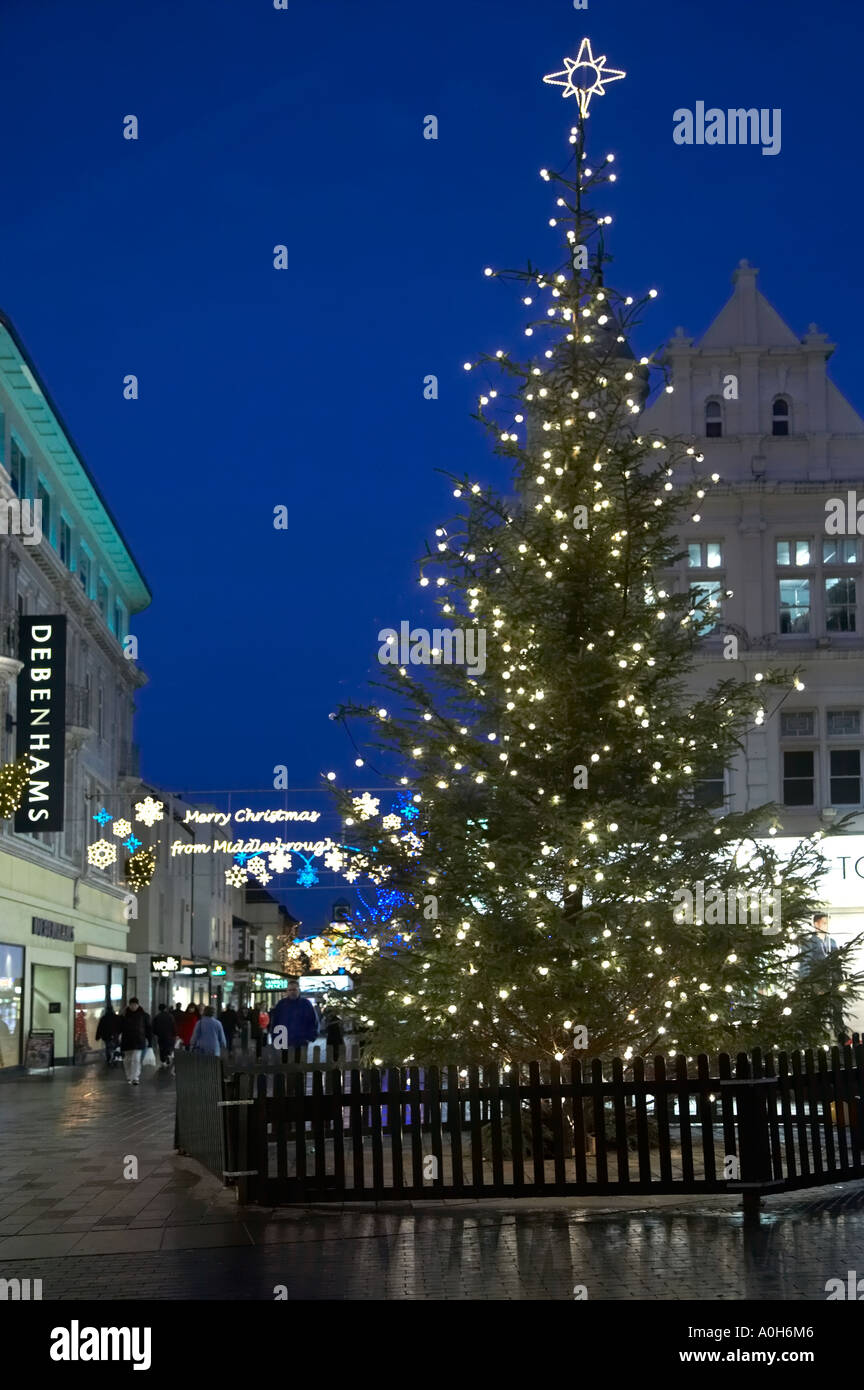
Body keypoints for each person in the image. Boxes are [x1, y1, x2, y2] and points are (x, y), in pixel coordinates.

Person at [799, 912, 845, 1039]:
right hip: (818, 983)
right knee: (817, 1010)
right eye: (824, 923)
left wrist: (840, 979)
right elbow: (805, 964)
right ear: (816, 924)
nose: (826, 926)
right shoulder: (809, 943)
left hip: (833, 982)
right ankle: (816, 1037)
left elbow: (837, 963)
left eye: (827, 923)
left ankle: (840, 1034)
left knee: (837, 1009)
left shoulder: (832, 942)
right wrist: (809, 984)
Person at [268, 979, 319, 1052]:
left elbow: (313, 1021)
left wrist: (310, 1037)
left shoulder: (306, 1004)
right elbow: (275, 1022)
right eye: (290, 990)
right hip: (283, 1041)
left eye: (294, 990)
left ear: (299, 990)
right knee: (283, 1062)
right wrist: (275, 1038)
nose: (292, 992)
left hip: (301, 1041)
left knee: (300, 1061)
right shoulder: (281, 1004)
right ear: (287, 991)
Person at [117, 998, 152, 1086]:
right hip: (126, 1041)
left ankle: (135, 1077)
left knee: (136, 1059)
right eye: (131, 1004)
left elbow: (148, 1029)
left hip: (139, 1041)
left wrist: (150, 1041)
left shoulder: (144, 1015)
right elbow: (119, 1028)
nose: (133, 1006)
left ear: (138, 1005)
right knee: (127, 1060)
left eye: (135, 1004)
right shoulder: (124, 1015)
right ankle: (129, 1076)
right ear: (129, 1005)